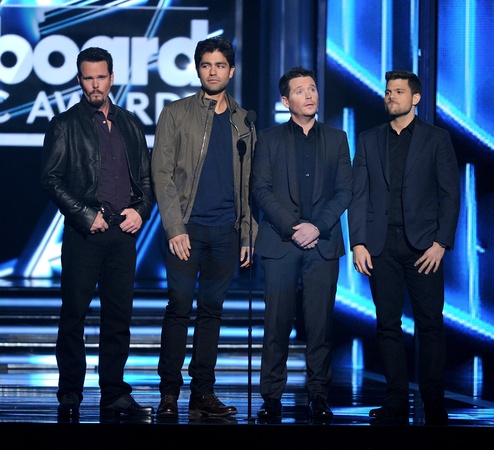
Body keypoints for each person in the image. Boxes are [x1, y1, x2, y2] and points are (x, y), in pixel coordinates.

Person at [40, 47, 155, 420]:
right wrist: (85, 215)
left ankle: (114, 393)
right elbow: (51, 179)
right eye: (88, 78)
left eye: (101, 77)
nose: (95, 84)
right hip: (85, 233)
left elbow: (147, 178)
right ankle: (70, 391)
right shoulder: (64, 124)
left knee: (119, 318)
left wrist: (140, 211)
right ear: (79, 80)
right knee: (74, 315)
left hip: (122, 234)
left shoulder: (130, 123)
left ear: (111, 78)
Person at [151, 36, 258, 419]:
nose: (213, 72)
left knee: (212, 311)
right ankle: (168, 393)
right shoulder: (175, 113)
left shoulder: (244, 120)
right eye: (206, 65)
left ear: (232, 70)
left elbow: (250, 183)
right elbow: (161, 173)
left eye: (220, 65)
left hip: (226, 232)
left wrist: (247, 233)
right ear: (198, 69)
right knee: (179, 307)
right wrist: (174, 227)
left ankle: (202, 393)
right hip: (187, 230)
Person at [348, 70, 460, 426]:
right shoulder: (369, 139)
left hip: (424, 247)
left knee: (430, 325)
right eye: (388, 91)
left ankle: (433, 400)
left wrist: (441, 243)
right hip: (380, 246)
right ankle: (395, 399)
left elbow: (450, 194)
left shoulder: (436, 139)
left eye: (398, 91)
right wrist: (358, 242)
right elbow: (358, 195)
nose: (391, 96)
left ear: (416, 98)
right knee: (387, 325)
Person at [251, 66, 353, 421]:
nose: (309, 95)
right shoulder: (269, 138)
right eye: (300, 90)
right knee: (276, 323)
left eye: (312, 88)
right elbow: (260, 189)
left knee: (320, 324)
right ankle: (271, 395)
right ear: (285, 100)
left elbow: (345, 190)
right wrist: (294, 227)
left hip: (322, 243)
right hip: (281, 241)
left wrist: (317, 227)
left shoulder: (337, 138)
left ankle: (319, 394)